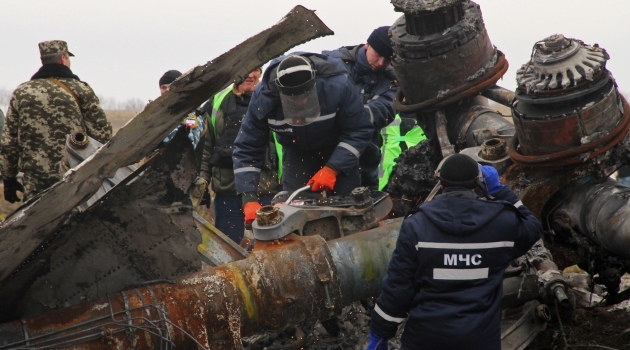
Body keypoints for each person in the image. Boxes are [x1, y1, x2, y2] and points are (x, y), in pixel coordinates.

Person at [368, 154, 542, 350]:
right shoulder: (502, 222)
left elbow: (399, 286)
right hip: (480, 340)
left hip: (425, 339)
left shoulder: (416, 224)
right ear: (477, 184)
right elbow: (533, 228)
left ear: (441, 185)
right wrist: (500, 191)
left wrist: (380, 334)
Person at [233, 53, 374, 225]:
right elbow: (247, 146)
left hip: (337, 147)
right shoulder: (263, 99)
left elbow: (359, 129)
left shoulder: (337, 85)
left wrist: (333, 167)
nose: (301, 102)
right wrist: (248, 198)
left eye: (305, 96)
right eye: (294, 99)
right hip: (296, 151)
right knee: (294, 212)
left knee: (349, 212)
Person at [0, 40, 112, 202]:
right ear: (63, 59)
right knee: (77, 221)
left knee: (37, 222)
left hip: (36, 179)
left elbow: (9, 141)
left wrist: (9, 178)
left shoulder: (23, 92)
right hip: (75, 175)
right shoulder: (80, 89)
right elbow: (102, 134)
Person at [193, 68, 281, 243]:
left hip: (266, 192)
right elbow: (206, 147)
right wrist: (201, 181)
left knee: (271, 249)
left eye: (255, 70)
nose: (250, 75)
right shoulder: (217, 102)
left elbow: (285, 146)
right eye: (246, 69)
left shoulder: (275, 100)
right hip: (228, 193)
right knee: (228, 250)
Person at [323, 26, 398, 189]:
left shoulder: (392, 82)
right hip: (320, 153)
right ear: (367, 45)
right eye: (378, 55)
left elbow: (384, 110)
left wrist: (344, 114)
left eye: (388, 60)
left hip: (364, 159)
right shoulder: (330, 63)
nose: (381, 63)